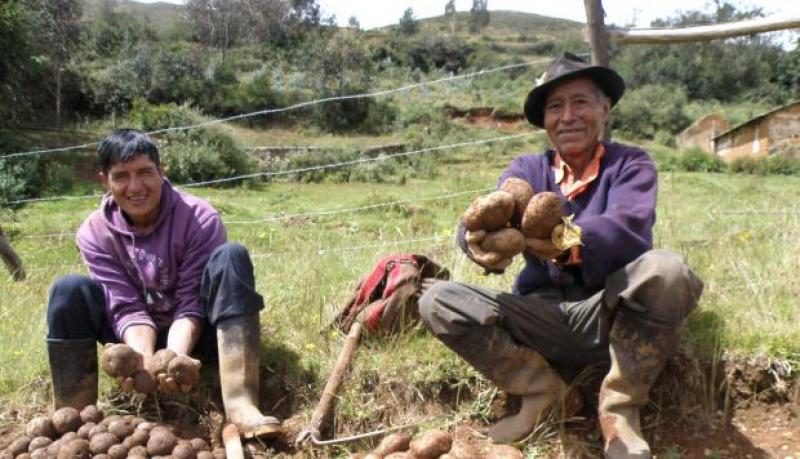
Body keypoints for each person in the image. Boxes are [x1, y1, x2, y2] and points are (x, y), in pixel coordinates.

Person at [418, 53, 704, 458]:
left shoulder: (631, 164)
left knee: (669, 271)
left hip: (611, 314)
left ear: (604, 110)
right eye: (556, 107)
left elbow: (627, 228)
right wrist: (476, 240)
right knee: (437, 300)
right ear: (545, 120)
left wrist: (561, 238)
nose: (568, 116)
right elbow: (499, 214)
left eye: (580, 102)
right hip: (542, 318)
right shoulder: (528, 169)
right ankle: (543, 392)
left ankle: (619, 409)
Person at [45, 129, 281, 439]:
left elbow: (191, 301)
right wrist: (142, 360)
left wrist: (173, 360)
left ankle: (240, 405)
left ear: (161, 172)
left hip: (199, 334)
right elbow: (125, 304)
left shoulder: (200, 218)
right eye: (122, 176)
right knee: (68, 290)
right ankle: (74, 418)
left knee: (231, 257)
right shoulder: (94, 232)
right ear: (105, 181)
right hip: (132, 337)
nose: (135, 186)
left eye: (145, 173)